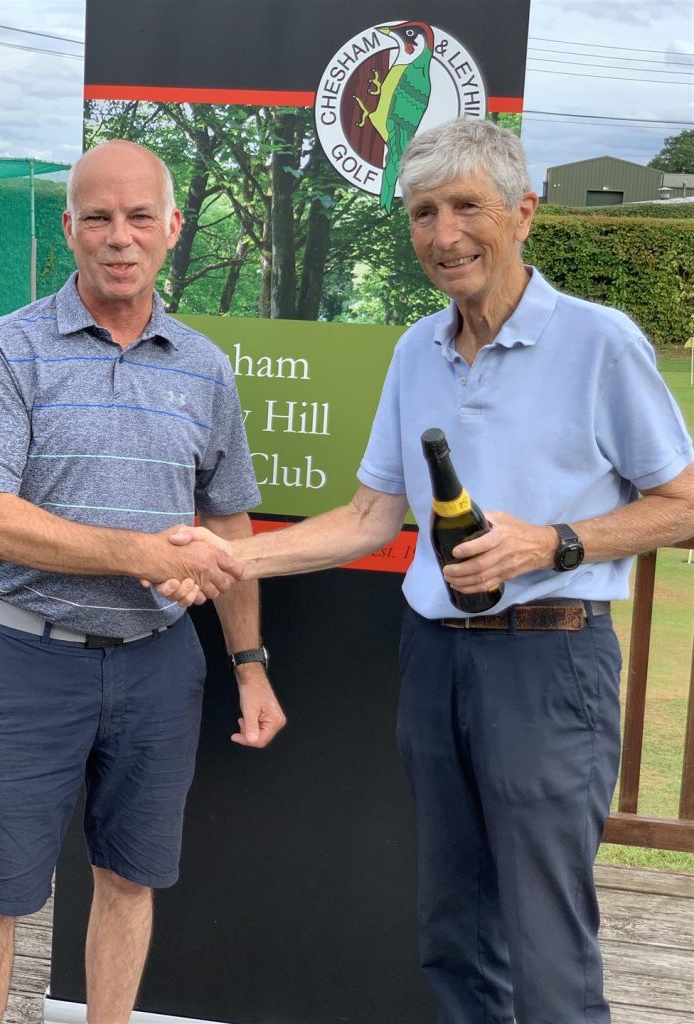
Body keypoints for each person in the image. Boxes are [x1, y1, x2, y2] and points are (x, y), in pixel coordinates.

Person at [159, 119, 694, 1023]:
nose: (444, 236)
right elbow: (370, 517)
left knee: (546, 944)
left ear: (523, 213)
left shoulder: (600, 342)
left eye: (467, 207)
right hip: (434, 658)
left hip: (550, 661)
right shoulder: (417, 350)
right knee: (453, 930)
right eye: (423, 213)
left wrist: (553, 543)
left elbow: (682, 502)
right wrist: (226, 555)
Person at [0, 139, 286, 1024]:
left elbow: (229, 528)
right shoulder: (9, 348)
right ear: (69, 229)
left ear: (172, 228)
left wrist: (250, 665)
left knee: (129, 880)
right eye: (98, 218)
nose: (118, 237)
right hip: (29, 663)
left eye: (139, 217)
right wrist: (143, 554)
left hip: (157, 667)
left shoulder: (205, 367)